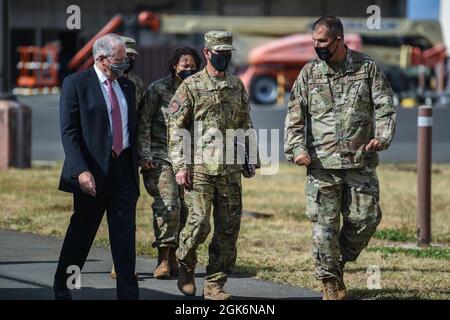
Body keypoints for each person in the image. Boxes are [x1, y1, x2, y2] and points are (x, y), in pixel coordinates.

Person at [284, 16, 396, 300]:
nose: (316, 46)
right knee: (324, 228)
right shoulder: (309, 74)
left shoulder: (366, 68)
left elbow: (385, 107)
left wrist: (382, 137)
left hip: (361, 161)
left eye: (322, 41)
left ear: (338, 39)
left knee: (367, 219)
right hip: (322, 166)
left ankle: (336, 259)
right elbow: (295, 118)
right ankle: (330, 281)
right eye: (314, 41)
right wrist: (297, 149)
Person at [168, 31, 259, 300]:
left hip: (229, 170)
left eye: (228, 54)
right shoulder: (190, 86)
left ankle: (214, 285)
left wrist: (250, 157)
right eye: (219, 54)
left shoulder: (236, 85)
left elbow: (245, 123)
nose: (224, 58)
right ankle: (185, 262)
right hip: (200, 169)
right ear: (207, 53)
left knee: (228, 228)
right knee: (198, 225)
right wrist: (179, 166)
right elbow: (175, 128)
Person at [54, 33, 140, 300]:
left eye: (125, 61)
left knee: (124, 238)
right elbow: (69, 132)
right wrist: (80, 170)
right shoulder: (76, 84)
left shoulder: (127, 86)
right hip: (92, 173)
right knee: (81, 234)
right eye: (119, 61)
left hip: (123, 171)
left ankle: (128, 294)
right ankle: (63, 286)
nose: (124, 66)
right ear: (102, 59)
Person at [136, 47, 202, 279]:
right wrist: (144, 156)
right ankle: (163, 259)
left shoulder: (199, 90)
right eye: (185, 66)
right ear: (174, 65)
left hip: (188, 159)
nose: (189, 70)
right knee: (169, 205)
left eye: (193, 67)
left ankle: (175, 255)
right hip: (160, 156)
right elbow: (143, 123)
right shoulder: (157, 89)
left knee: (186, 210)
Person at [109, 36, 146, 280]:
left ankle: (122, 264)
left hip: (128, 156)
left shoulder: (136, 84)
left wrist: (143, 154)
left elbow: (142, 121)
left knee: (126, 213)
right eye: (126, 56)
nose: (129, 60)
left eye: (133, 57)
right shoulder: (103, 80)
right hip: (104, 157)